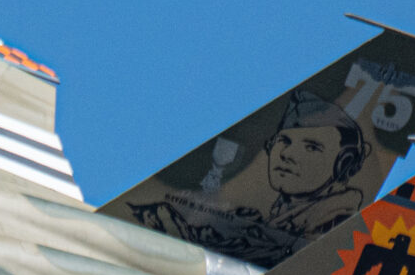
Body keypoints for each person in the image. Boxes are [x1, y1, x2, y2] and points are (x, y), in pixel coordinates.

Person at [127, 92, 371, 266]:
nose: (287, 155)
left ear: (343, 166)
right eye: (283, 141)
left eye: (312, 147)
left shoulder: (327, 222)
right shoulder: (269, 213)